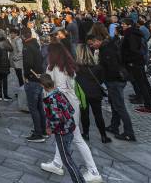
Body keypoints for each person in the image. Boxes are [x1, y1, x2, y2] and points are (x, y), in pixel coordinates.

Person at [39, 43, 102, 182]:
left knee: (77, 138)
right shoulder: (67, 66)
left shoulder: (56, 68)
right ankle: (57, 163)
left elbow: (60, 89)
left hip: (64, 108)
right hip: (70, 106)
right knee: (61, 134)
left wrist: (47, 85)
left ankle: (93, 171)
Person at [87, 34, 136, 141]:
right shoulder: (107, 47)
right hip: (115, 81)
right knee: (114, 105)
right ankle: (114, 126)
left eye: (92, 43)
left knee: (120, 106)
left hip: (115, 81)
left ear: (98, 41)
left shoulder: (106, 50)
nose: (92, 46)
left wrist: (102, 76)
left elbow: (112, 68)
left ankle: (129, 132)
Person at [40, 74, 84, 183]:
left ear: (43, 86)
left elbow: (56, 119)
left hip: (62, 132)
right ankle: (81, 180)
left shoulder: (51, 99)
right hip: (70, 128)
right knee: (68, 159)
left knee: (67, 161)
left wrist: (50, 128)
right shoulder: (59, 93)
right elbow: (71, 110)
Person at [75, 44, 110, 144]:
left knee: (84, 114)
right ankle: (103, 136)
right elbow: (102, 80)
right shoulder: (98, 67)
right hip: (95, 93)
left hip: (82, 94)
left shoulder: (76, 68)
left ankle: (86, 134)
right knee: (98, 114)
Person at [120, 18, 151, 113]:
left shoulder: (131, 34)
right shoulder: (134, 33)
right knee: (145, 84)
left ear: (129, 25)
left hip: (135, 63)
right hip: (138, 62)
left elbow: (133, 50)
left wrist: (130, 61)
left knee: (142, 84)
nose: (122, 25)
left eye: (124, 24)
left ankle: (149, 106)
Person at [22, 28, 46, 142]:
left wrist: (26, 76)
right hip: (39, 79)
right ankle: (43, 130)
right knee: (39, 106)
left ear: (23, 36)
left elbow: (28, 64)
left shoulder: (27, 47)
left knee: (33, 108)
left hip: (32, 79)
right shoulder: (36, 45)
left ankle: (38, 133)